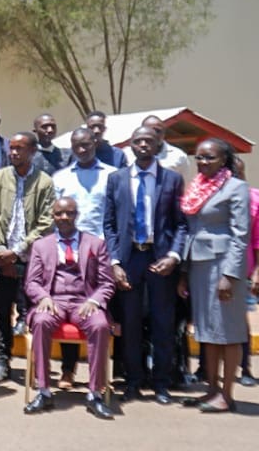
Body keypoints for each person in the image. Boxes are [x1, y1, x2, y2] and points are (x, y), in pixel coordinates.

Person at [103, 125, 187, 404]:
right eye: (137, 141)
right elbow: (110, 224)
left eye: (148, 141)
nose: (142, 146)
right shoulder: (116, 179)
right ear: (131, 145)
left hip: (159, 258)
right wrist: (115, 262)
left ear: (158, 144)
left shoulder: (172, 180)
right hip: (129, 259)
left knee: (163, 324)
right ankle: (133, 382)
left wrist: (173, 257)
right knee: (131, 324)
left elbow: (181, 225)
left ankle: (161, 384)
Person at [22, 197, 116, 419]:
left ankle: (95, 393)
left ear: (77, 215)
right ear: (52, 216)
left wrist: (94, 301)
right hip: (53, 300)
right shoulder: (41, 245)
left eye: (69, 213)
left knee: (100, 325)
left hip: (84, 301)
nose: (64, 218)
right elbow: (32, 282)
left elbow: (106, 283)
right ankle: (44, 390)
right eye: (59, 214)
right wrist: (43, 297)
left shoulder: (95, 244)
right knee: (42, 322)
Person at [178, 138, 250, 414]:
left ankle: (227, 394)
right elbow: (191, 231)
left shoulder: (236, 188)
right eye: (199, 157)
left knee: (228, 331)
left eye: (210, 157)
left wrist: (230, 275)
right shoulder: (198, 188)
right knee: (208, 331)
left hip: (222, 267)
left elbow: (240, 235)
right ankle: (212, 389)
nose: (203, 162)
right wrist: (184, 273)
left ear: (224, 160)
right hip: (198, 266)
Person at [0, 131, 54, 382]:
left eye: (20, 148)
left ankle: (37, 364)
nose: (14, 153)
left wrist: (18, 250)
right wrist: (1, 250)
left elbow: (46, 222)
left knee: (35, 312)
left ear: (32, 151)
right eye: (11, 148)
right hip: (1, 258)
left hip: (33, 258)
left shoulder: (44, 182)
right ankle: (3, 359)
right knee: (2, 312)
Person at [51, 126, 117, 388]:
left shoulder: (112, 176)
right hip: (69, 252)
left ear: (95, 143)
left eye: (87, 144)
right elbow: (54, 218)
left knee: (96, 311)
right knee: (69, 304)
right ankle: (67, 371)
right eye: (77, 145)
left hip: (101, 251)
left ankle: (98, 375)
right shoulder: (61, 178)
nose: (82, 149)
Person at [236, 159, 259, 385]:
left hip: (243, 269)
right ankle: (204, 368)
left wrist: (258, 270)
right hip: (211, 267)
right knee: (207, 320)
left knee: (239, 319)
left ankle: (245, 367)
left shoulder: (254, 196)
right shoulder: (208, 193)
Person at [124, 115, 194, 184]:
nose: (153, 134)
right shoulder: (126, 154)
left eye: (157, 131)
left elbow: (186, 186)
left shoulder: (179, 156)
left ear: (164, 133)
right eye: (149, 130)